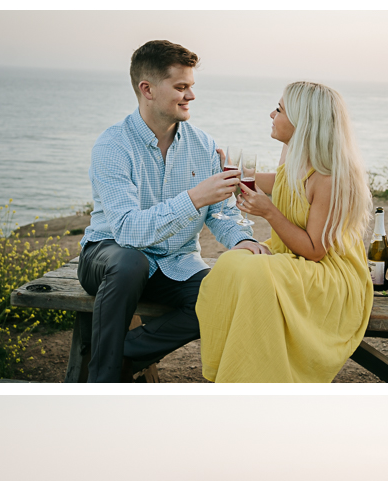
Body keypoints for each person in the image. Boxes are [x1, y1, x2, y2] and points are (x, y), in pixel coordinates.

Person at [78, 41, 267, 382]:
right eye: (181, 87)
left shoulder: (204, 145)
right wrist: (194, 198)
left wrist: (242, 240)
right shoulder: (113, 146)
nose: (190, 96)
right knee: (130, 261)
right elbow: (127, 232)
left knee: (220, 296)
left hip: (175, 265)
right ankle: (101, 383)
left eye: (191, 86)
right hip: (109, 259)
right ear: (146, 89)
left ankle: (118, 360)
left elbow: (222, 213)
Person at [196, 82, 375, 382]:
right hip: (292, 256)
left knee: (256, 275)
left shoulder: (330, 177)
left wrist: (268, 211)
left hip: (329, 272)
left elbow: (315, 251)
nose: (271, 114)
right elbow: (275, 183)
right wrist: (232, 176)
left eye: (279, 109)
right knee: (229, 263)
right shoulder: (293, 155)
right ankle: (229, 373)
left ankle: (260, 381)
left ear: (303, 122)